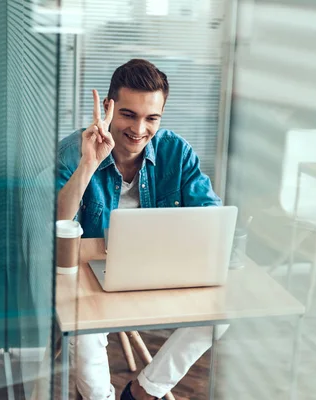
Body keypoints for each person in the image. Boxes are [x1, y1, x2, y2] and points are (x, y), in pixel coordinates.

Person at [56, 59, 228, 400]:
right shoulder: (76, 150)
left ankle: (145, 391)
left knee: (222, 312)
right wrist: (89, 163)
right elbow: (57, 222)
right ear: (109, 108)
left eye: (152, 118)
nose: (139, 129)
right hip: (92, 279)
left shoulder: (175, 151)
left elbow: (210, 213)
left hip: (155, 272)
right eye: (128, 115)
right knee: (84, 328)